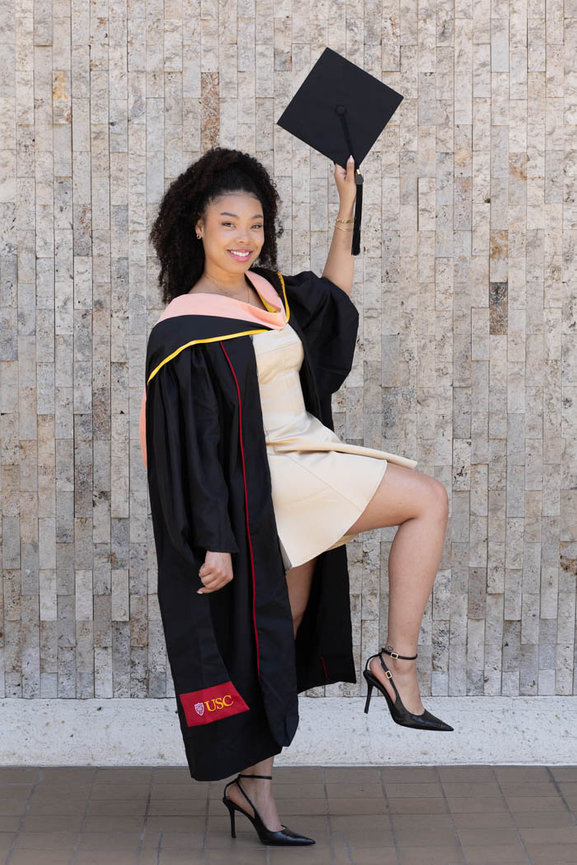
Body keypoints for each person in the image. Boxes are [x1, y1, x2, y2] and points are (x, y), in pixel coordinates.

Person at [141, 147, 451, 847]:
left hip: (304, 458)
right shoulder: (185, 325)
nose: (242, 236)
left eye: (254, 222)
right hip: (266, 479)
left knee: (278, 632)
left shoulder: (266, 291)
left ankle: (255, 785)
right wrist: (212, 537)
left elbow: (331, 309)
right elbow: (188, 446)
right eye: (227, 223)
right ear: (197, 227)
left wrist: (346, 210)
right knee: (424, 497)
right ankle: (394, 665)